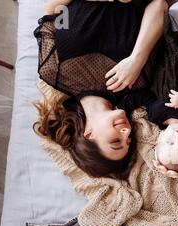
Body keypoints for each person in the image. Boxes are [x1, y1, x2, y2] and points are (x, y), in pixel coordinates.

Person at [34, 0, 167, 179]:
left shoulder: (54, 72)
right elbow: (159, 5)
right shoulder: (136, 85)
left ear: (89, 135)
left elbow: (55, 10)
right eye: (128, 140)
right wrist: (137, 59)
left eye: (116, 141)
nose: (127, 132)